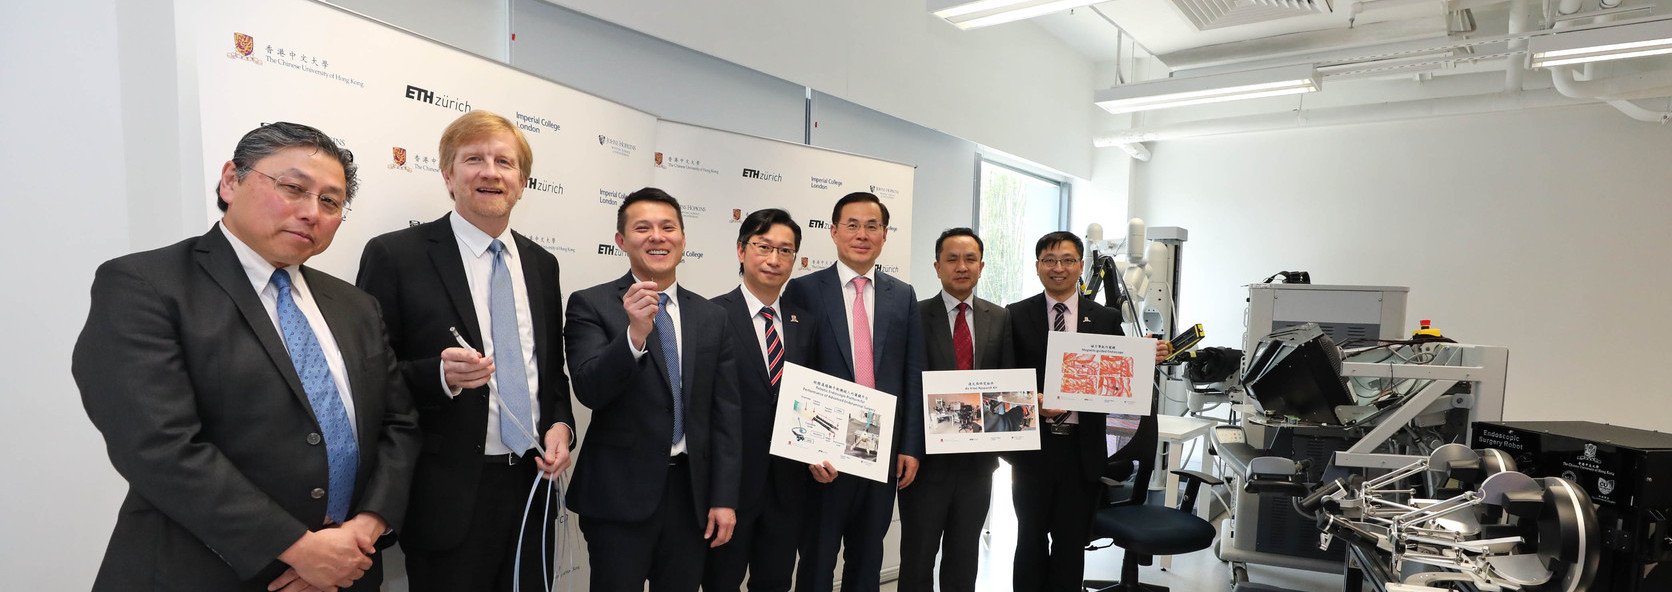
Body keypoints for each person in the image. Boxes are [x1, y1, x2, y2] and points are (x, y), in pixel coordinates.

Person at [73, 121, 420, 591]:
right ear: (231, 181)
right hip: (202, 569)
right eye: (293, 188)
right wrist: (299, 549)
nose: (311, 212)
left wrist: (365, 530)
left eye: (330, 201)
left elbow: (398, 425)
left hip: (346, 571)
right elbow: (158, 445)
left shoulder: (356, 306)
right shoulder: (145, 285)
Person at [355, 111, 576, 591]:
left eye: (505, 162)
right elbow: (368, 376)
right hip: (447, 493)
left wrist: (561, 424)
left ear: (522, 183)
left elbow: (549, 373)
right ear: (448, 175)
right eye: (474, 158)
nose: (491, 172)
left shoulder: (542, 265)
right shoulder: (396, 255)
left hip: (533, 487)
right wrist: (439, 376)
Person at [564, 187, 742, 591]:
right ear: (621, 242)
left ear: (682, 240)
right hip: (618, 497)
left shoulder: (711, 316)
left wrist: (724, 497)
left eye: (668, 227)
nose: (657, 237)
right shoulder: (590, 305)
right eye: (642, 228)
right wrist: (634, 335)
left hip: (690, 497)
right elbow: (590, 389)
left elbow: (725, 414)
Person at [1005, 231, 1168, 592]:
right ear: (1037, 267)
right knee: (1029, 540)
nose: (1058, 268)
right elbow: (1005, 378)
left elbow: (1119, 379)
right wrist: (1035, 399)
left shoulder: (1106, 318)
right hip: (1034, 449)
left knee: (1070, 543)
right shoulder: (1015, 315)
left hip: (1083, 450)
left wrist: (1143, 357)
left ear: (1081, 266)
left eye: (1067, 260)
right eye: (1049, 260)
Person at [788, 192, 926, 592]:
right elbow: (797, 374)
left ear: (884, 235)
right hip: (824, 453)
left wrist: (910, 445)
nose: (861, 234)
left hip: (881, 454)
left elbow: (912, 373)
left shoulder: (902, 294)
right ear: (833, 232)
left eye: (872, 226)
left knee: (867, 561)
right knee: (816, 561)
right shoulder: (804, 291)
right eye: (852, 225)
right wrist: (808, 449)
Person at [704, 208, 833, 592]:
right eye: (764, 247)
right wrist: (718, 492)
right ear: (742, 251)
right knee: (719, 582)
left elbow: (814, 399)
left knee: (776, 582)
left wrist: (823, 452)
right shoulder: (711, 315)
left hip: (789, 487)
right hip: (729, 487)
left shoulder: (805, 323)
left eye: (786, 251)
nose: (774, 259)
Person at [897, 227, 1015, 592]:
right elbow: (904, 385)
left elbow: (1007, 383)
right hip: (925, 464)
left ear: (981, 266)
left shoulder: (1000, 317)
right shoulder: (912, 315)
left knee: (964, 558)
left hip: (977, 466)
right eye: (952, 259)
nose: (961, 267)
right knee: (917, 558)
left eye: (970, 259)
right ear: (937, 266)